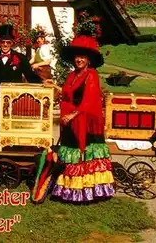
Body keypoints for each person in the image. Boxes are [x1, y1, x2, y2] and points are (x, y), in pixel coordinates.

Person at [51, 34, 115, 203]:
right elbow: (66, 96)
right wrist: (54, 87)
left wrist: (73, 114)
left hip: (86, 124)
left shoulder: (91, 75)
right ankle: (70, 190)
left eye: (83, 57)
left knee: (84, 156)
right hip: (71, 123)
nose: (79, 59)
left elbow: (89, 100)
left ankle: (88, 192)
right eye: (77, 56)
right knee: (71, 156)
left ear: (89, 59)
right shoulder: (72, 76)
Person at [0, 24, 42, 138]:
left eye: (8, 42)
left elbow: (30, 76)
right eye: (3, 42)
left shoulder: (20, 58)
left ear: (12, 43)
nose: (5, 44)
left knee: (14, 132)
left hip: (15, 101)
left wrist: (44, 83)